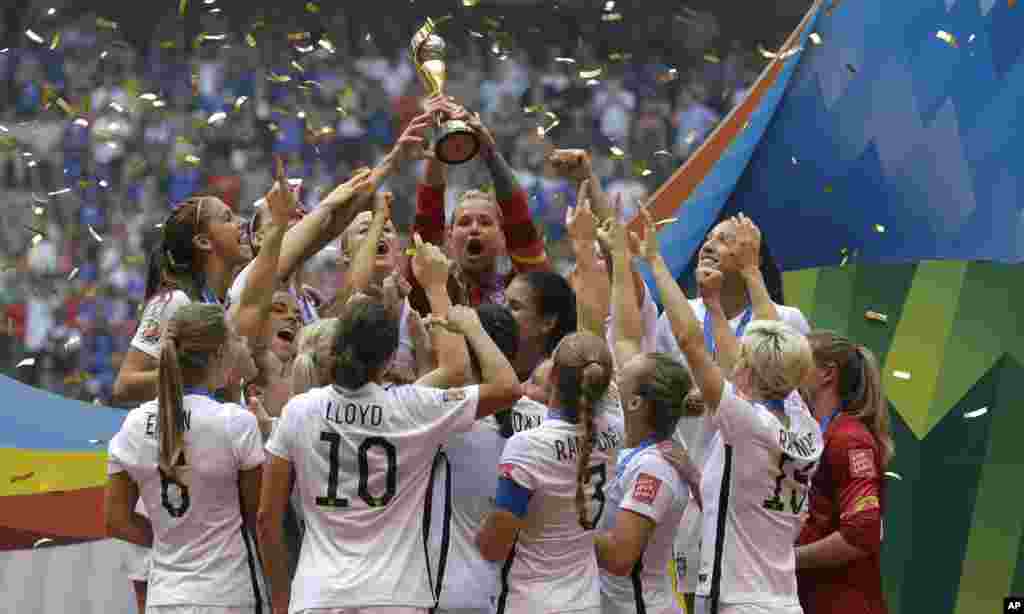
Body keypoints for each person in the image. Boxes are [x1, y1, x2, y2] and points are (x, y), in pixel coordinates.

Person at [257, 297, 521, 614]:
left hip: (318, 595)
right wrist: (472, 327)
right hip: (395, 597)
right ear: (390, 359)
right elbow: (507, 388)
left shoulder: (299, 411)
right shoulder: (413, 407)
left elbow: (266, 518)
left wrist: (280, 601)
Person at [636, 207, 822, 614]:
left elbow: (691, 342)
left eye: (723, 239)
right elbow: (759, 350)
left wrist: (654, 262)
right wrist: (720, 300)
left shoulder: (744, 421)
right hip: (779, 594)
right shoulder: (808, 427)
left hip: (735, 596)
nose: (710, 245)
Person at [105, 303, 266, 613]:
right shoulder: (236, 423)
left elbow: (115, 519)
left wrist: (172, 540)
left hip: (165, 596)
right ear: (219, 354)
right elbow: (254, 515)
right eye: (234, 338)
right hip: (227, 594)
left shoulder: (135, 424)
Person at [593, 210, 700, 614]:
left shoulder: (654, 466)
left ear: (636, 401)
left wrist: (562, 530)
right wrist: (619, 258)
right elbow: (624, 333)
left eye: (625, 376)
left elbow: (621, 558)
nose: (617, 374)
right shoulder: (633, 434)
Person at [476, 331, 625, 614]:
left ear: (553, 377)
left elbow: (493, 547)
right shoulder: (616, 429)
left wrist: (480, 528)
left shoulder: (527, 446)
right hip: (586, 601)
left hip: (530, 600)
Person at [407, 96, 550, 313]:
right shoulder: (432, 286)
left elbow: (520, 224)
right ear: (448, 236)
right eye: (464, 222)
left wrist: (489, 152)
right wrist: (440, 146)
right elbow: (426, 224)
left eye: (485, 222)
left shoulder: (524, 291)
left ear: (504, 238)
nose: (474, 228)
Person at [795, 332, 892, 614]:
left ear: (826, 373)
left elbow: (861, 534)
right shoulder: (815, 433)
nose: (790, 370)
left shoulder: (850, 439)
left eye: (799, 361)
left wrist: (787, 560)